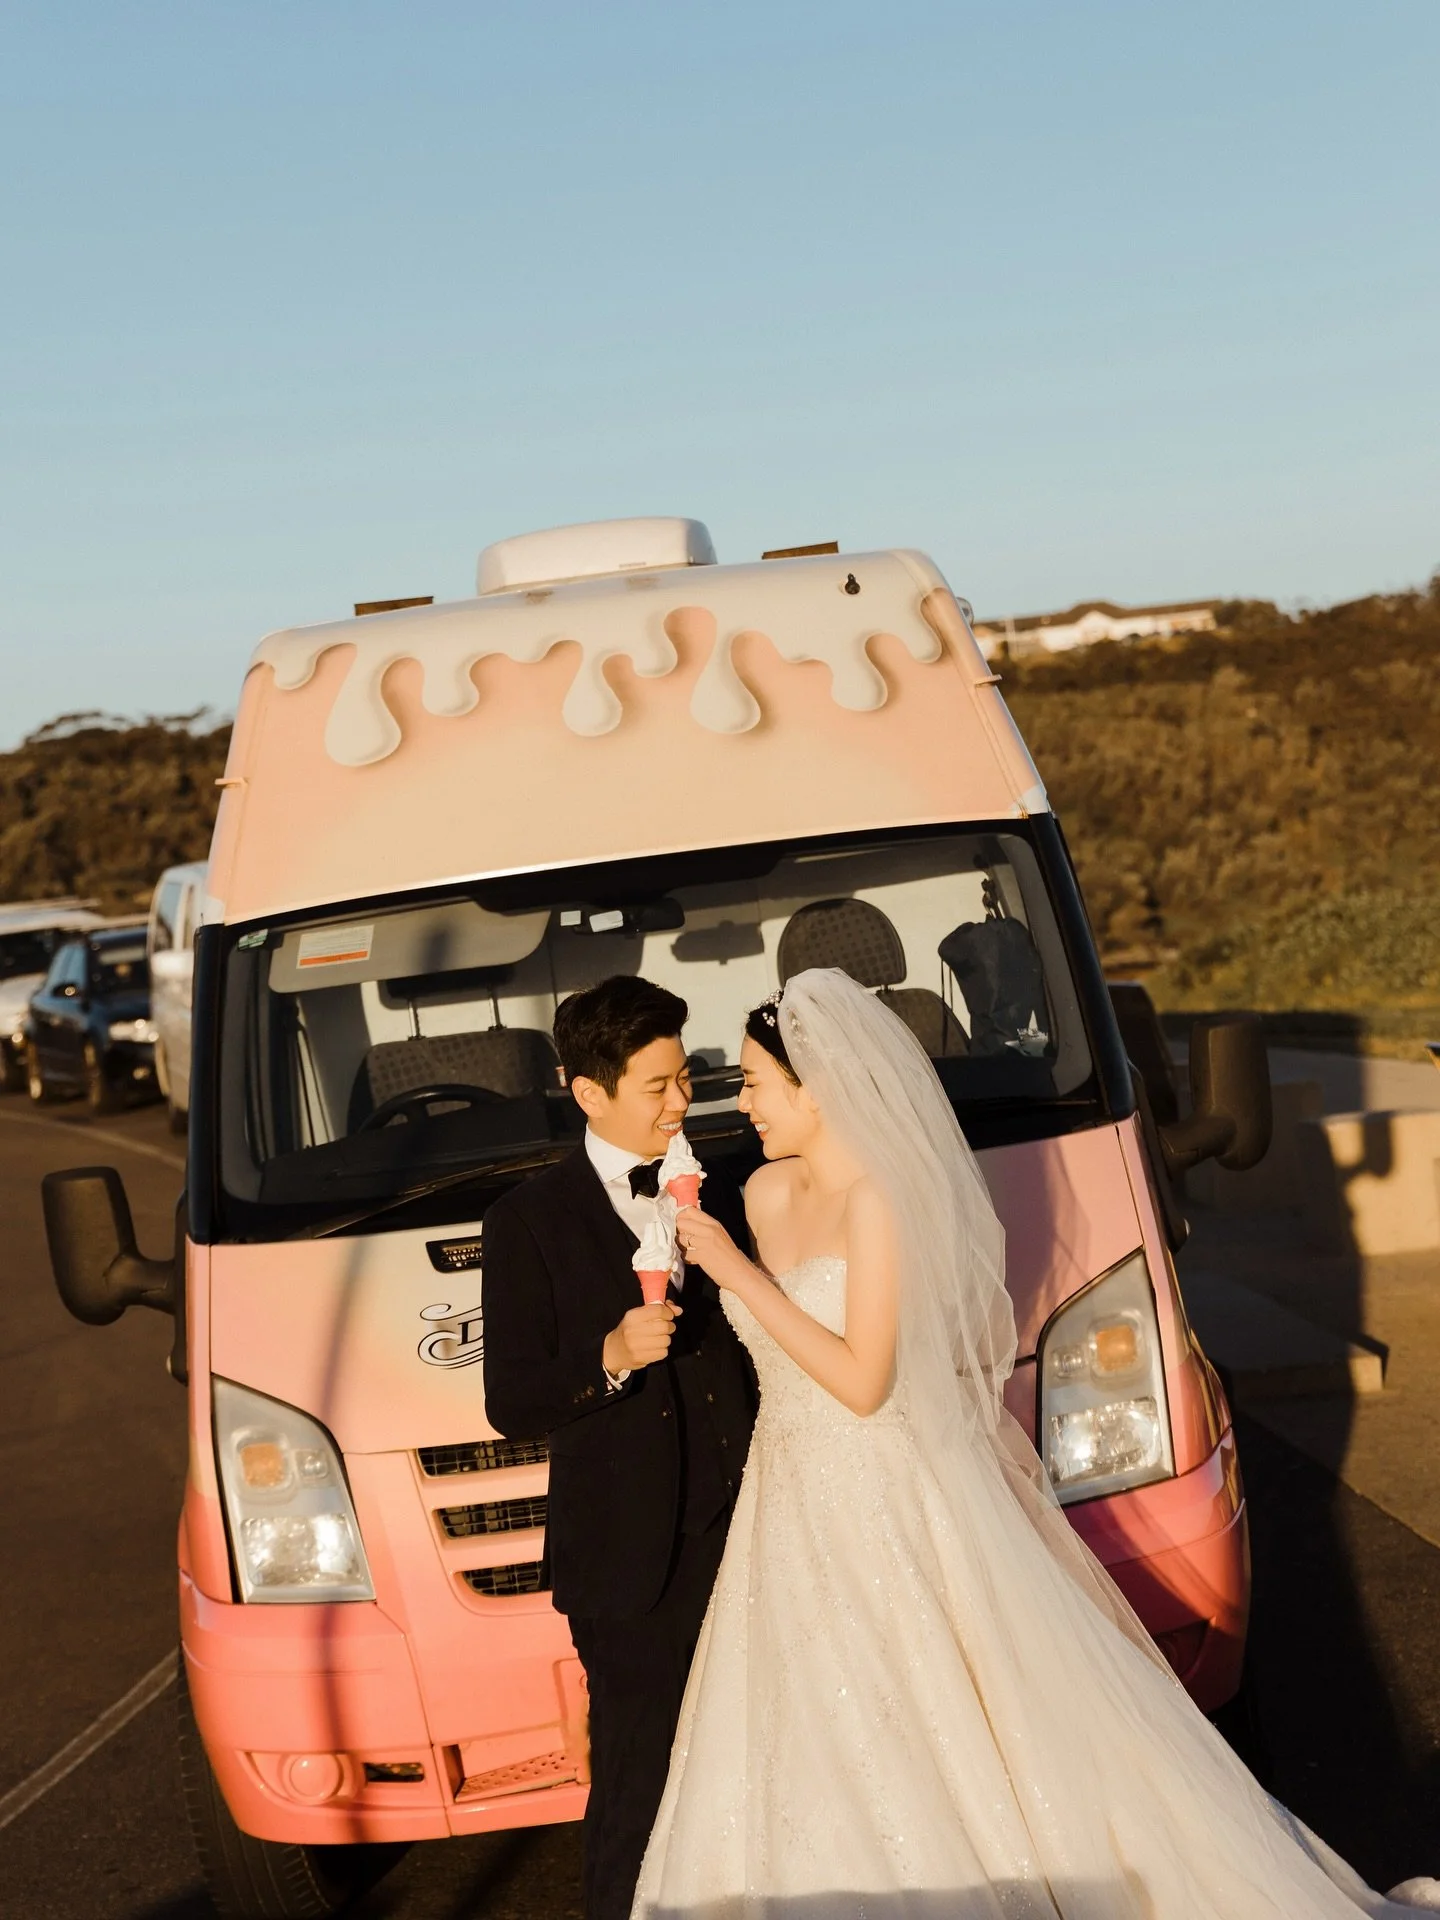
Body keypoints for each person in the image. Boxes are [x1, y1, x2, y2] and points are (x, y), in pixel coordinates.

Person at [632, 966, 1440, 1918]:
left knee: (955, 1732)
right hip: (790, 1502)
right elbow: (787, 1360)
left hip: (889, 1491)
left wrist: (737, 1276)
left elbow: (861, 1379)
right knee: (802, 1741)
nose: (748, 1103)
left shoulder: (878, 1205)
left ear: (818, 1086)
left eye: (761, 1084)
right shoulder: (765, 1197)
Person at [481, 975, 757, 1920]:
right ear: (588, 1092)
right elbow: (511, 1399)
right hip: (630, 1563)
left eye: (686, 1078)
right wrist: (604, 1358)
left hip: (757, 1526)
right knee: (639, 1793)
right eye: (658, 1085)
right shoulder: (526, 1221)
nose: (682, 1101)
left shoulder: (729, 1184)